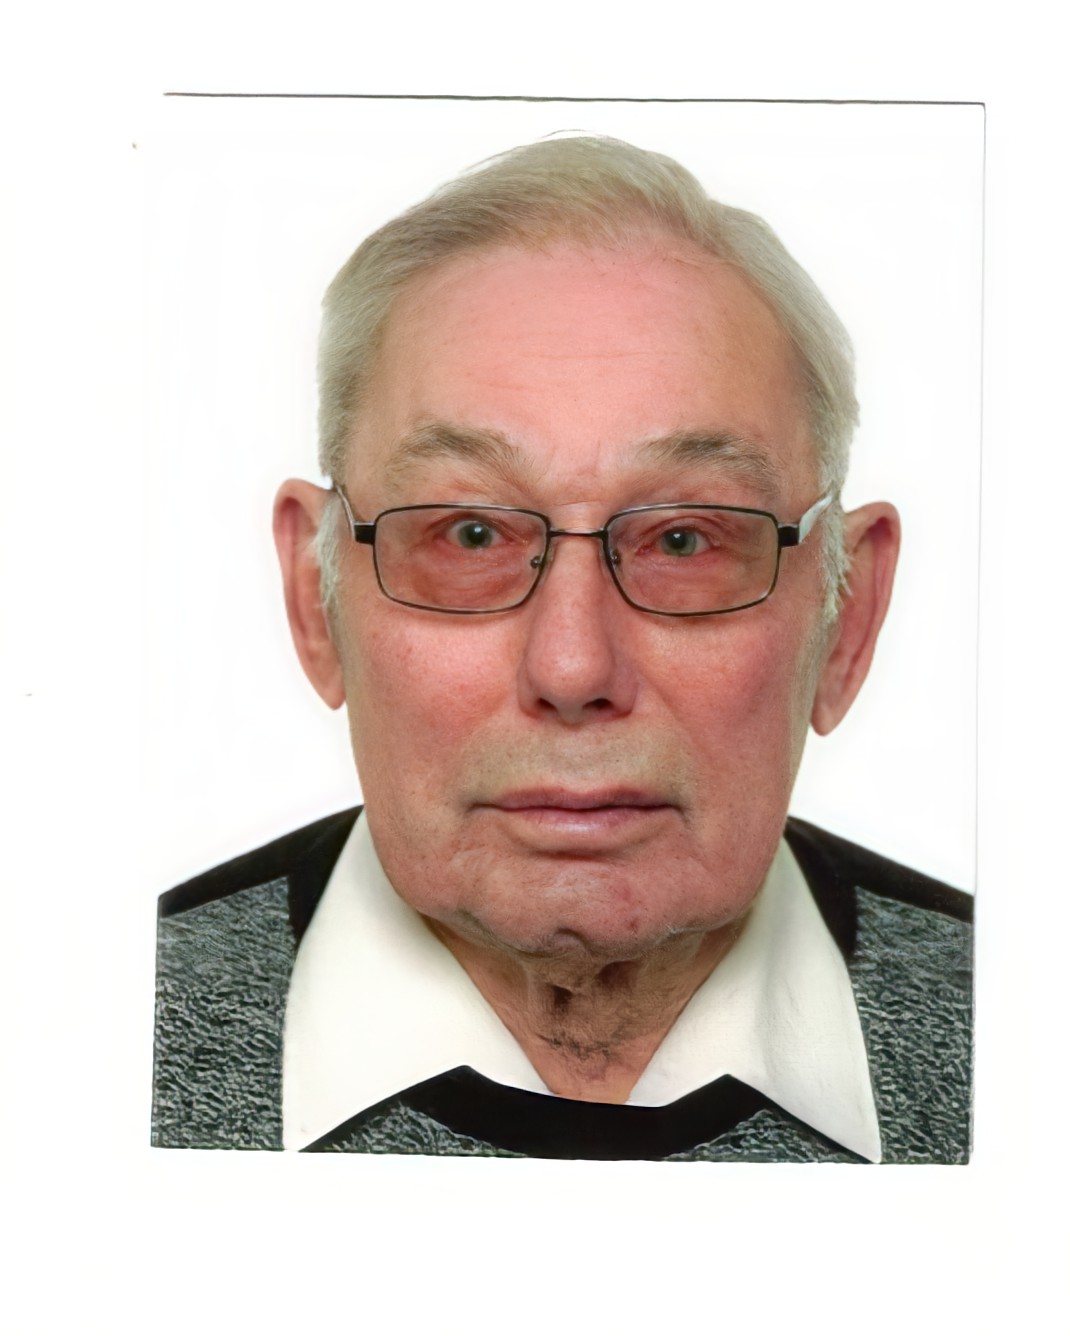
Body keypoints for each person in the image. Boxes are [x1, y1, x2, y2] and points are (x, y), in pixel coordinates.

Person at [152, 135, 972, 1162]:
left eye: (684, 540)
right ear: (314, 601)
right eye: (469, 535)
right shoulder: (73, 1042)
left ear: (845, 620)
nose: (573, 669)